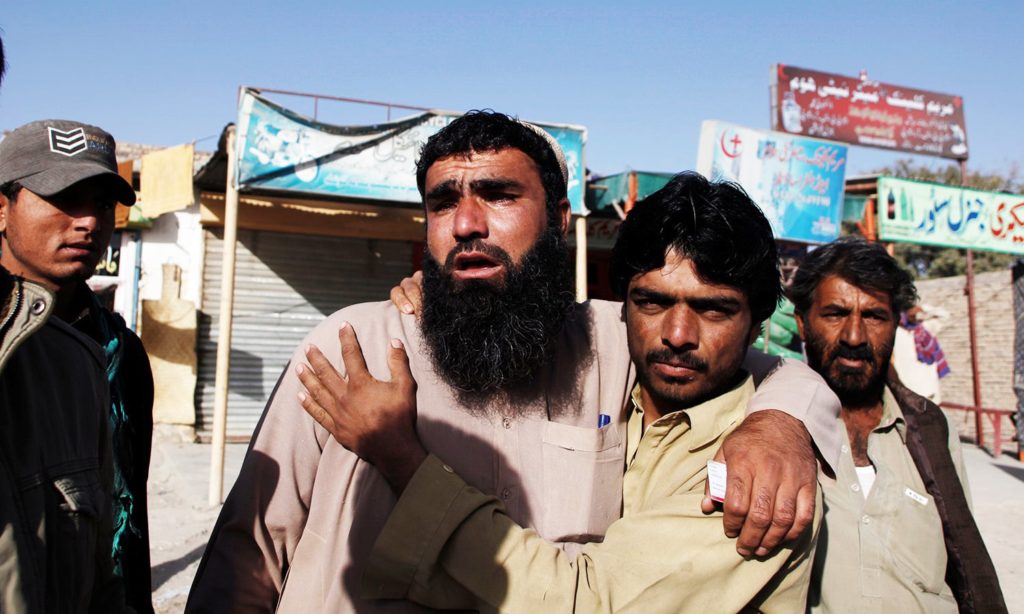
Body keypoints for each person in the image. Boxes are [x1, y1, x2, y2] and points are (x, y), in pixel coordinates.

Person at [187, 111, 840, 613]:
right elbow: (250, 557)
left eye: (498, 195)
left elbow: (758, 361)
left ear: (558, 219)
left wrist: (781, 421)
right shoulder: (349, 349)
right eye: (444, 202)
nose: (467, 223)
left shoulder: (617, 344)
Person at [789, 237, 1006, 613]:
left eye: (873, 316)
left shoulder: (930, 430)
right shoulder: (776, 423)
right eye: (835, 314)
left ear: (895, 326)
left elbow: (963, 551)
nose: (854, 337)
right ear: (803, 324)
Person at [0, 119, 155, 614]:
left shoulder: (119, 355)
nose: (89, 222)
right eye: (65, 198)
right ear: (1, 209)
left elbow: (128, 512)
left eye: (103, 205)